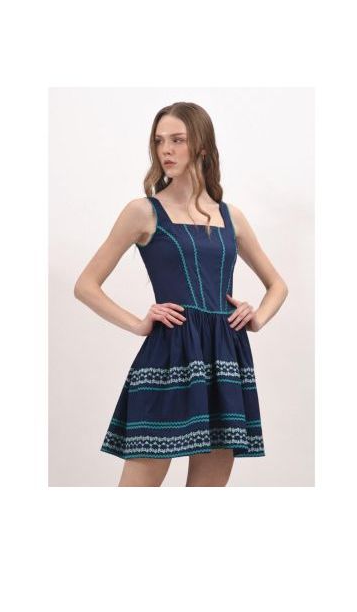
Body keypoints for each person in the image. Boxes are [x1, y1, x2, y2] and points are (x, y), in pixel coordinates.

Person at [74, 101, 288, 487]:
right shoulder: (143, 212)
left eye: (177, 140)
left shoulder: (231, 216)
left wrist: (257, 317)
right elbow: (85, 285)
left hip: (224, 359)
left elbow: (278, 285)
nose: (166, 150)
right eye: (159, 141)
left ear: (201, 146)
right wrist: (139, 324)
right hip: (169, 359)